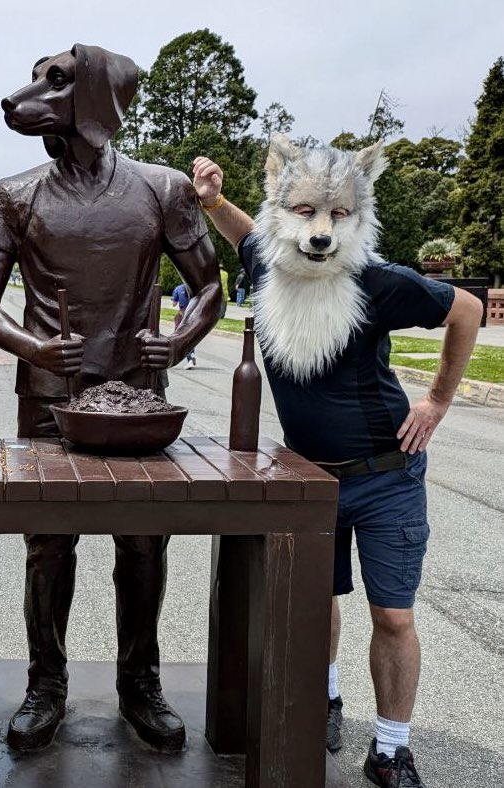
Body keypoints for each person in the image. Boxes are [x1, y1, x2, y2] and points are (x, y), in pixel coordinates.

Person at [192, 137, 482, 788]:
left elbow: (464, 310)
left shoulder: (377, 281)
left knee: (394, 615)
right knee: (316, 601)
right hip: (309, 476)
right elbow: (245, 234)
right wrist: (214, 202)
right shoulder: (269, 261)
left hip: (386, 475)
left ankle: (390, 749)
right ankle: (325, 700)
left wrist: (436, 400)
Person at [0, 43, 222, 753]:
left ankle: (140, 682)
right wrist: (35, 349)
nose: (27, 95)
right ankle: (45, 683)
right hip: (48, 399)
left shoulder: (163, 190)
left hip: (138, 399)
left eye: (55, 83)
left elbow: (209, 286)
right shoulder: (12, 196)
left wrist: (179, 340)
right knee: (48, 546)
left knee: (142, 543)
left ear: (101, 98)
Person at [171, 282, 197, 368]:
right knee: (190, 336)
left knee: (181, 337)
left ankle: (189, 359)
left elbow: (174, 304)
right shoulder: (194, 287)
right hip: (194, 314)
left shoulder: (177, 288)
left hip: (182, 315)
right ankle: (192, 354)